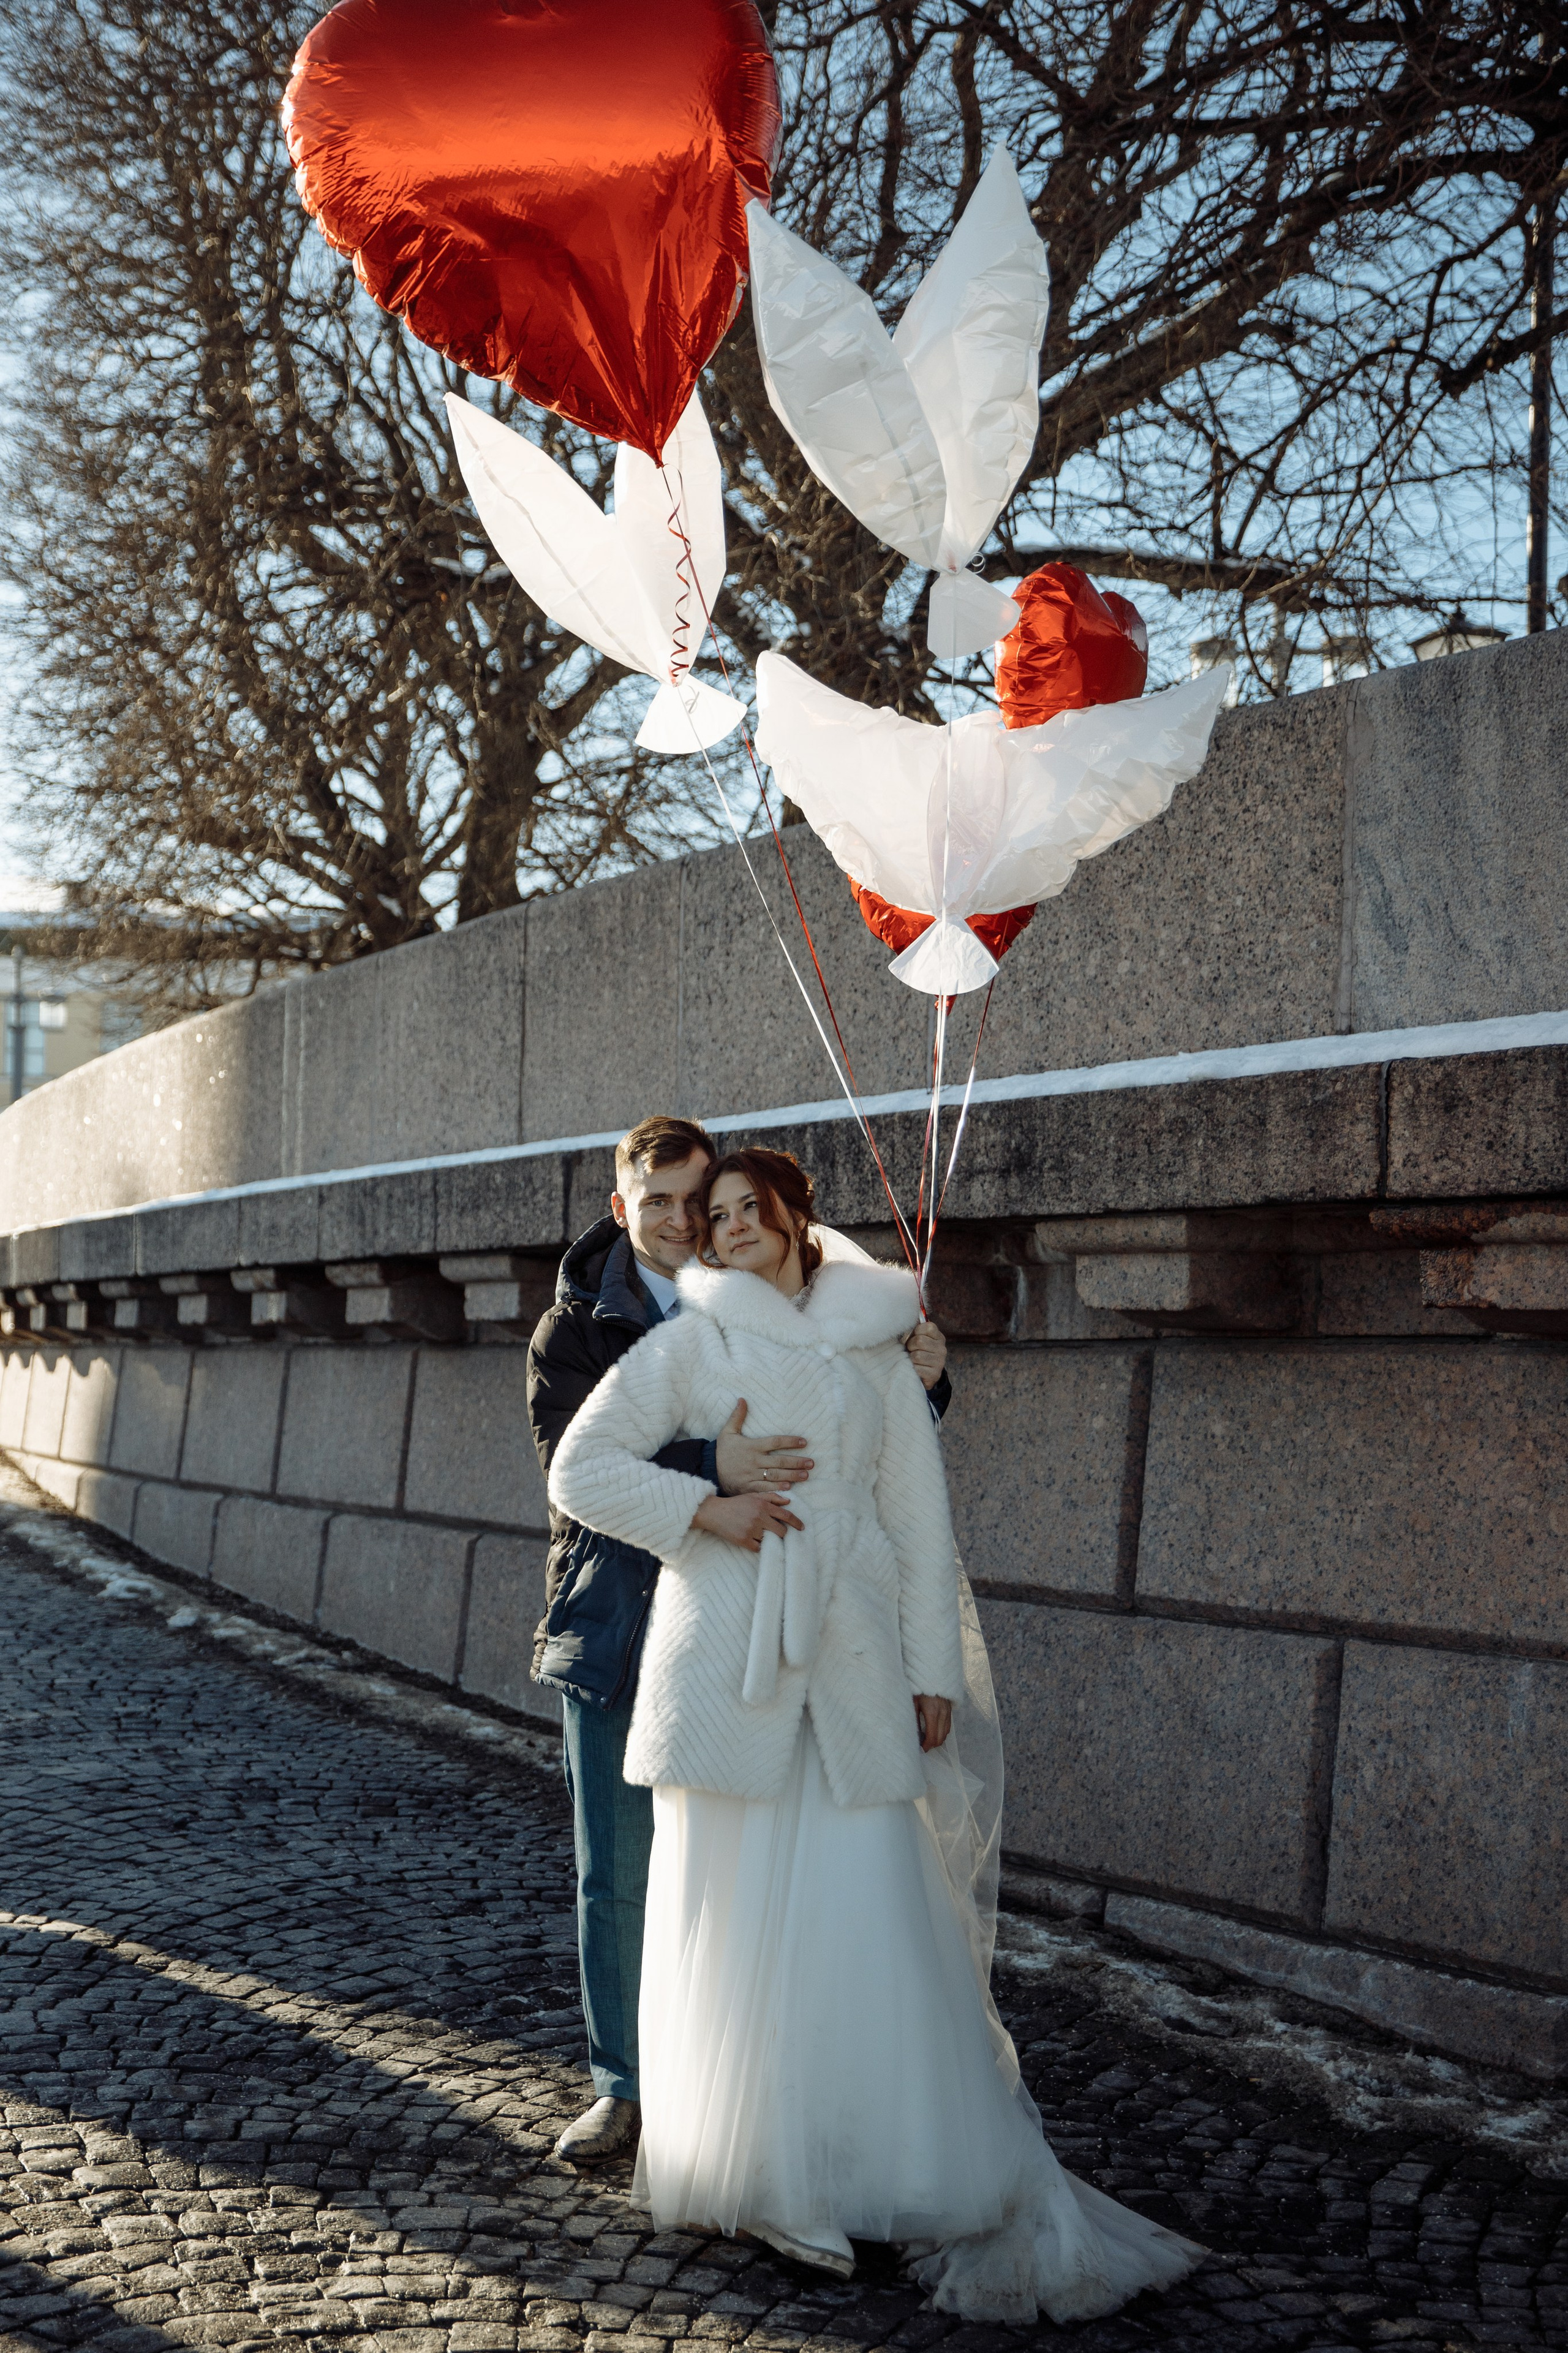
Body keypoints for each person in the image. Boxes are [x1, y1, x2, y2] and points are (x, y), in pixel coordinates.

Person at [546, 1147, 1204, 2327]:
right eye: (719, 1214)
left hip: (847, 1662)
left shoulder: (875, 1343)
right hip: (724, 1667)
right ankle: (759, 2177)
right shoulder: (691, 1341)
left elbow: (915, 1512)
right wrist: (707, 1500)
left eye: (755, 1210)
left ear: (802, 1222)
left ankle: (875, 2165)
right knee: (734, 1919)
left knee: (864, 1911)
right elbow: (581, 1466)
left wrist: (929, 1666)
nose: (733, 1227)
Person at [526, 1116, 951, 2162]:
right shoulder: (581, 1323)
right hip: (625, 1615)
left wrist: (924, 1376)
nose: (688, 1221)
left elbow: (874, 1466)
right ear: (624, 1209)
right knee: (625, 1873)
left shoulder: (816, 1311)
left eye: (707, 1202)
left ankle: (767, 2105)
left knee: (771, 1884)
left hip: (787, 1631)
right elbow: (580, 1468)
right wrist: (712, 1477)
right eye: (664, 1202)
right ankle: (629, 2090)